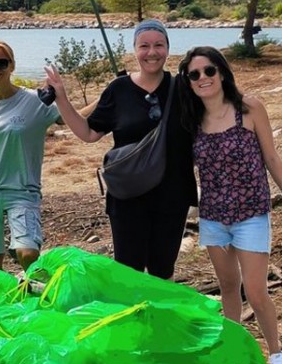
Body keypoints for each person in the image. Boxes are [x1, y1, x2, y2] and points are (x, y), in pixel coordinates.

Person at [45, 19, 197, 278]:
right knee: (128, 271)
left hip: (173, 194)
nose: (152, 52)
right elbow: (89, 132)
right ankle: (132, 317)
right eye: (144, 46)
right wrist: (61, 99)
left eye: (159, 45)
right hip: (128, 195)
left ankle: (158, 317)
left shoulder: (184, 87)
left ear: (168, 48)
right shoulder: (119, 89)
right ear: (135, 49)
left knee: (163, 270)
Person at [178, 46, 282, 364]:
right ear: (188, 82)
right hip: (214, 218)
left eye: (209, 71)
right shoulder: (191, 120)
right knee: (227, 287)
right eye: (194, 74)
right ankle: (233, 352)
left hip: (251, 213)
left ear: (222, 72)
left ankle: (277, 358)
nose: (203, 79)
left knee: (255, 290)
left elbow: (271, 157)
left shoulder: (249, 108)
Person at [0, 41, 61, 270]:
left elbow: (74, 119)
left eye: (1, 62)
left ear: (12, 66)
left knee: (28, 253)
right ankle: (3, 304)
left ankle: (33, 298)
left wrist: (110, 94)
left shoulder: (36, 101)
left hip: (22, 189)